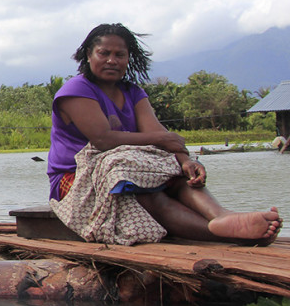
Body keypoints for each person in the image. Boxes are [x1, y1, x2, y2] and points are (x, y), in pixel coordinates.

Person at [48, 22, 281, 245]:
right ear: (89, 55)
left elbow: (156, 131)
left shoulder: (133, 92)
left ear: (128, 58)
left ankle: (222, 216)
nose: (112, 60)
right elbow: (104, 139)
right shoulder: (76, 90)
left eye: (120, 55)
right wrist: (163, 140)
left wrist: (185, 160)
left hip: (125, 169)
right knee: (144, 191)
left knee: (176, 174)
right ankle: (226, 234)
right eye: (104, 53)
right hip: (74, 178)